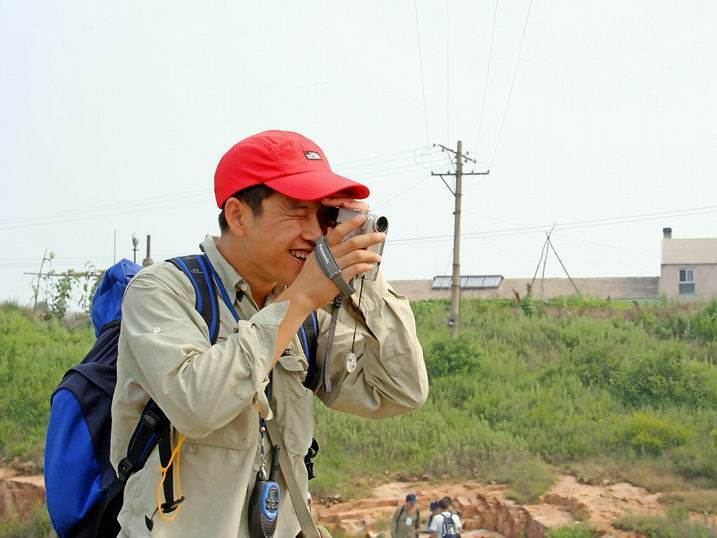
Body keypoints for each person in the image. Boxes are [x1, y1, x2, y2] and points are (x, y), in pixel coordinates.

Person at [110, 130, 428, 537]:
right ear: (238, 215)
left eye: (325, 216)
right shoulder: (165, 291)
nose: (315, 233)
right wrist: (298, 300)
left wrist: (366, 275)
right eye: (297, 211)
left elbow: (400, 390)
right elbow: (195, 405)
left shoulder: (307, 315)